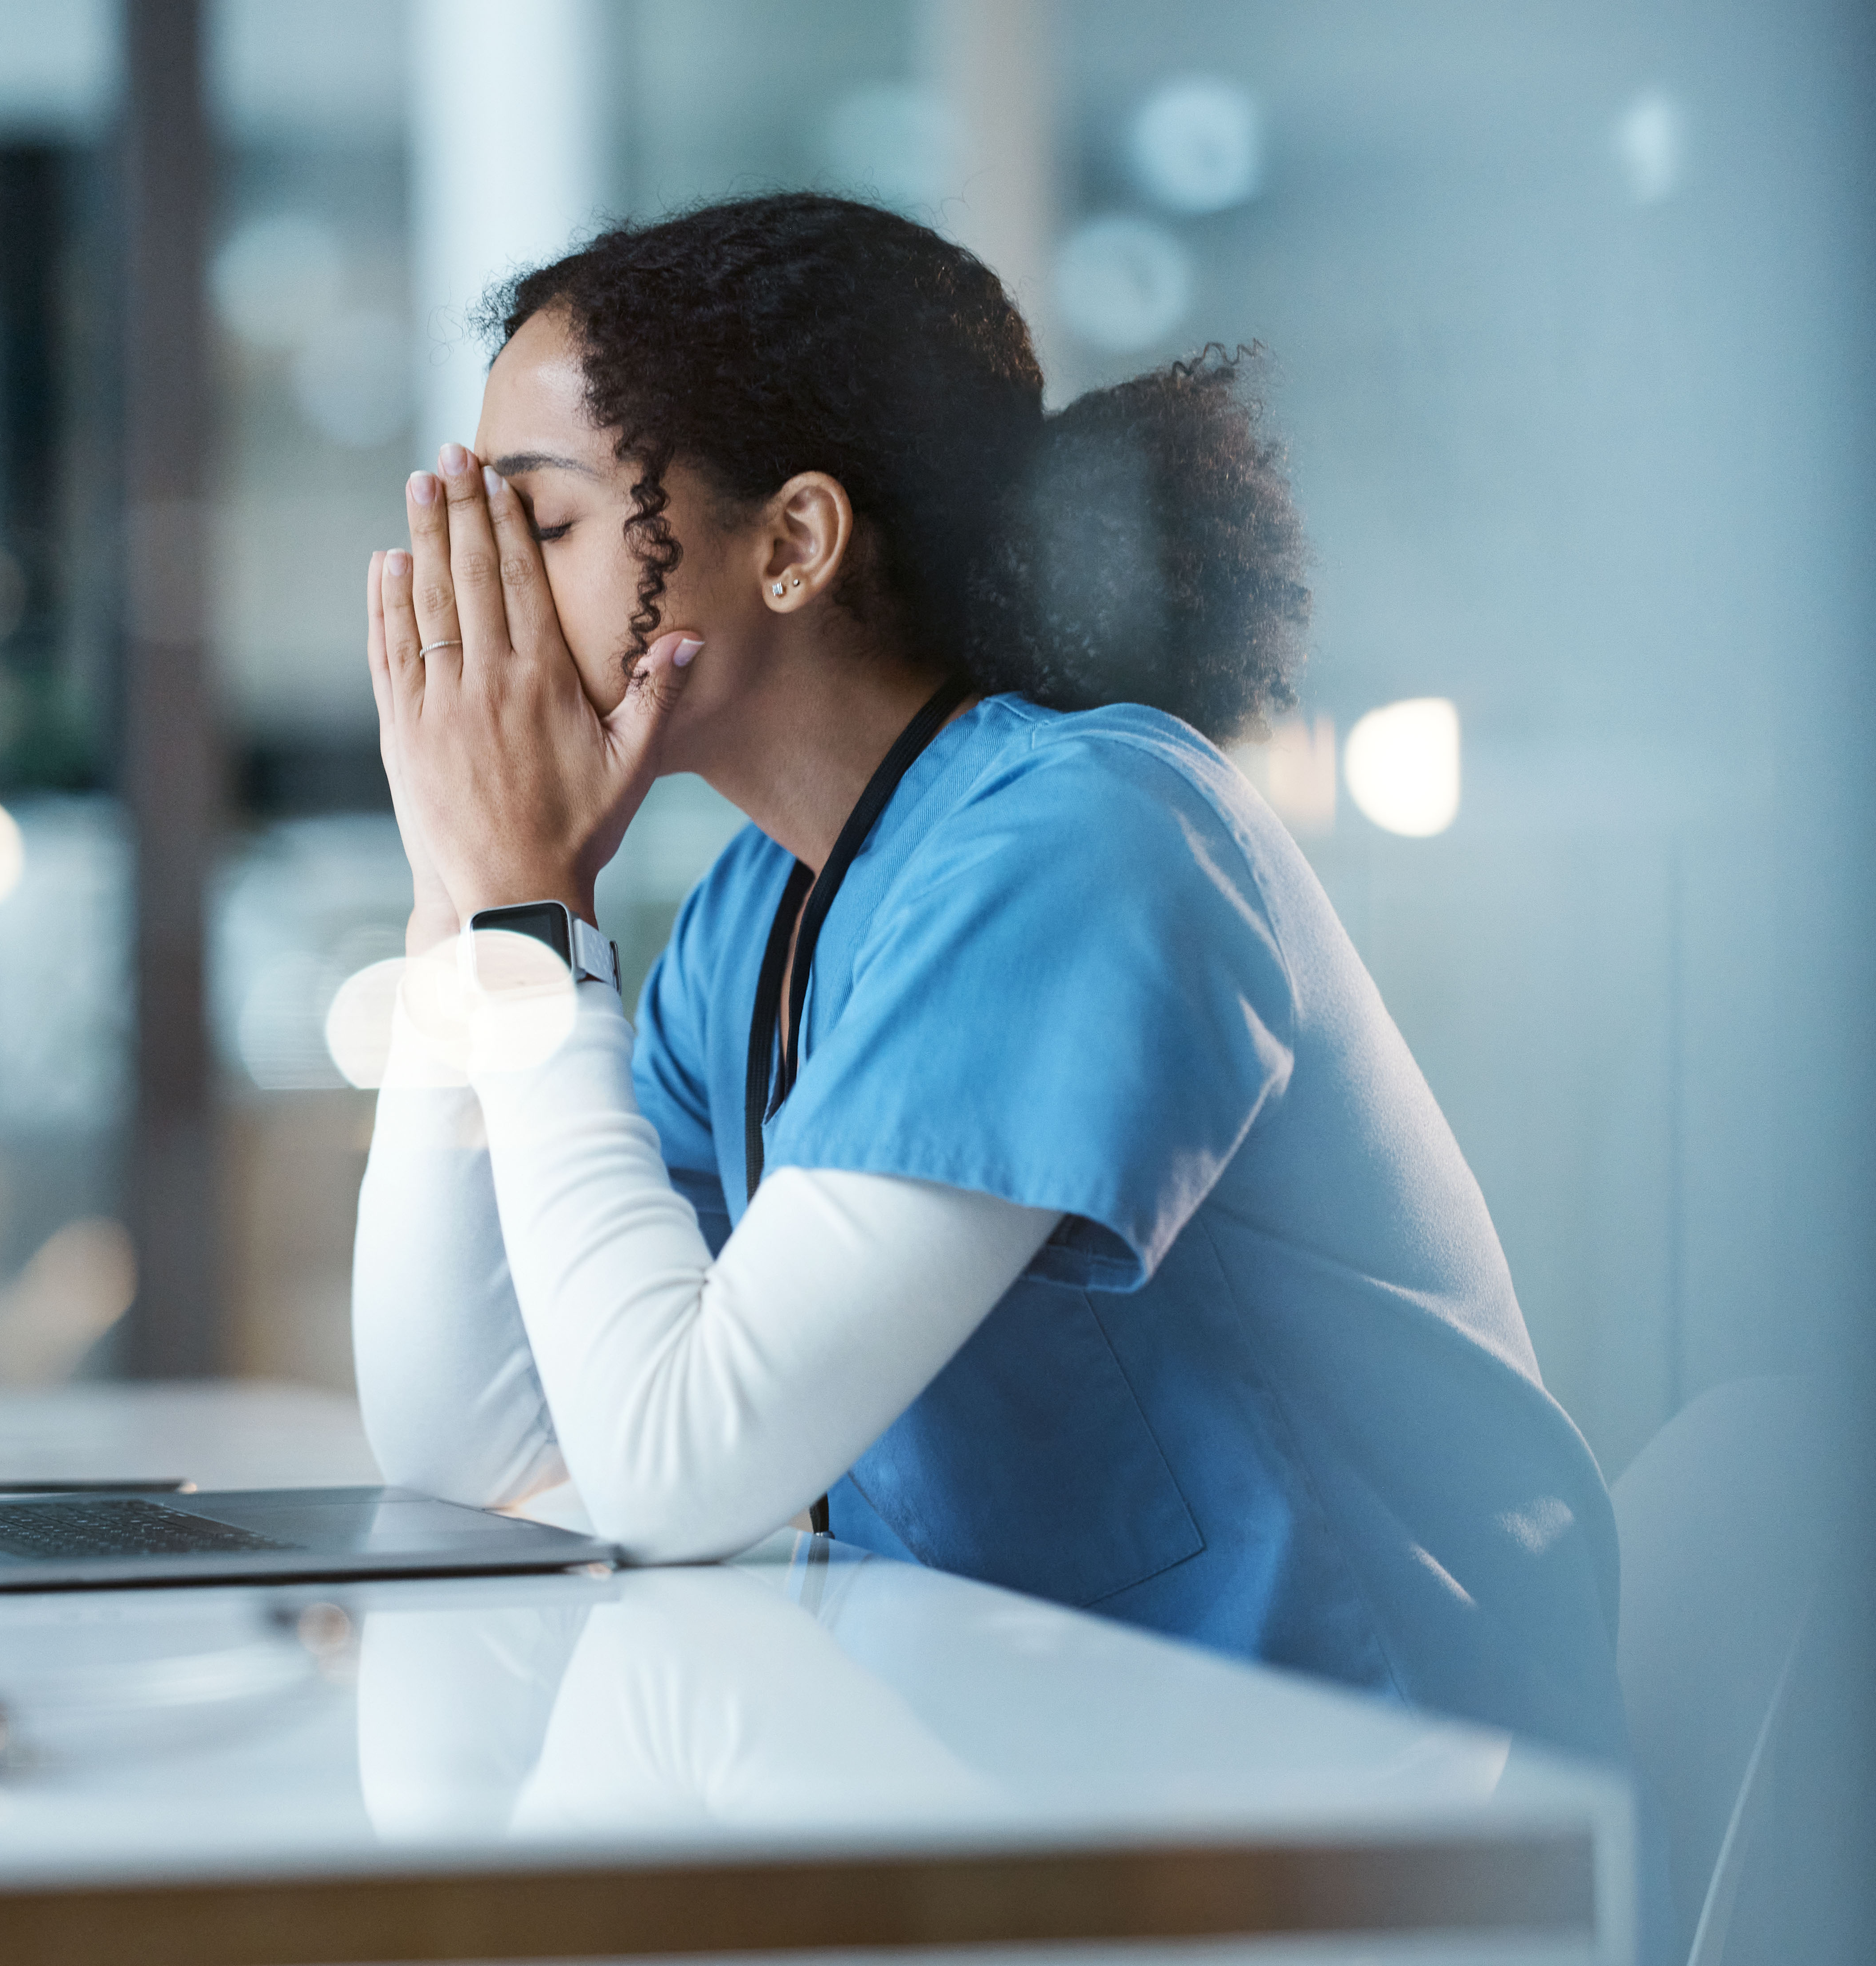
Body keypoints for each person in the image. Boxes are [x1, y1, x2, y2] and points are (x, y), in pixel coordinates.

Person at [350, 192, 1628, 1767]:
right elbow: (465, 1442)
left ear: (794, 544)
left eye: (537, 527)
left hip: (1379, 1820)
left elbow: (672, 1471)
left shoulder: (1090, 840)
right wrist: (455, 894)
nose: (481, 600)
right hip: (1042, 1767)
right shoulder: (762, 908)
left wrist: (529, 916)